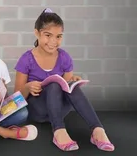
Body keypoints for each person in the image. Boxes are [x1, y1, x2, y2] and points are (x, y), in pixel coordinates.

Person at [14, 8, 114, 152]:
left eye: (59, 36)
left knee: (71, 86)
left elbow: (67, 90)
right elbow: (16, 98)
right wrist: (28, 87)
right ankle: (59, 131)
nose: (53, 41)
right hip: (38, 110)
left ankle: (97, 130)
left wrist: (72, 81)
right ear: (37, 33)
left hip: (59, 109)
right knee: (54, 83)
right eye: (48, 35)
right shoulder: (27, 59)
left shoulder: (64, 57)